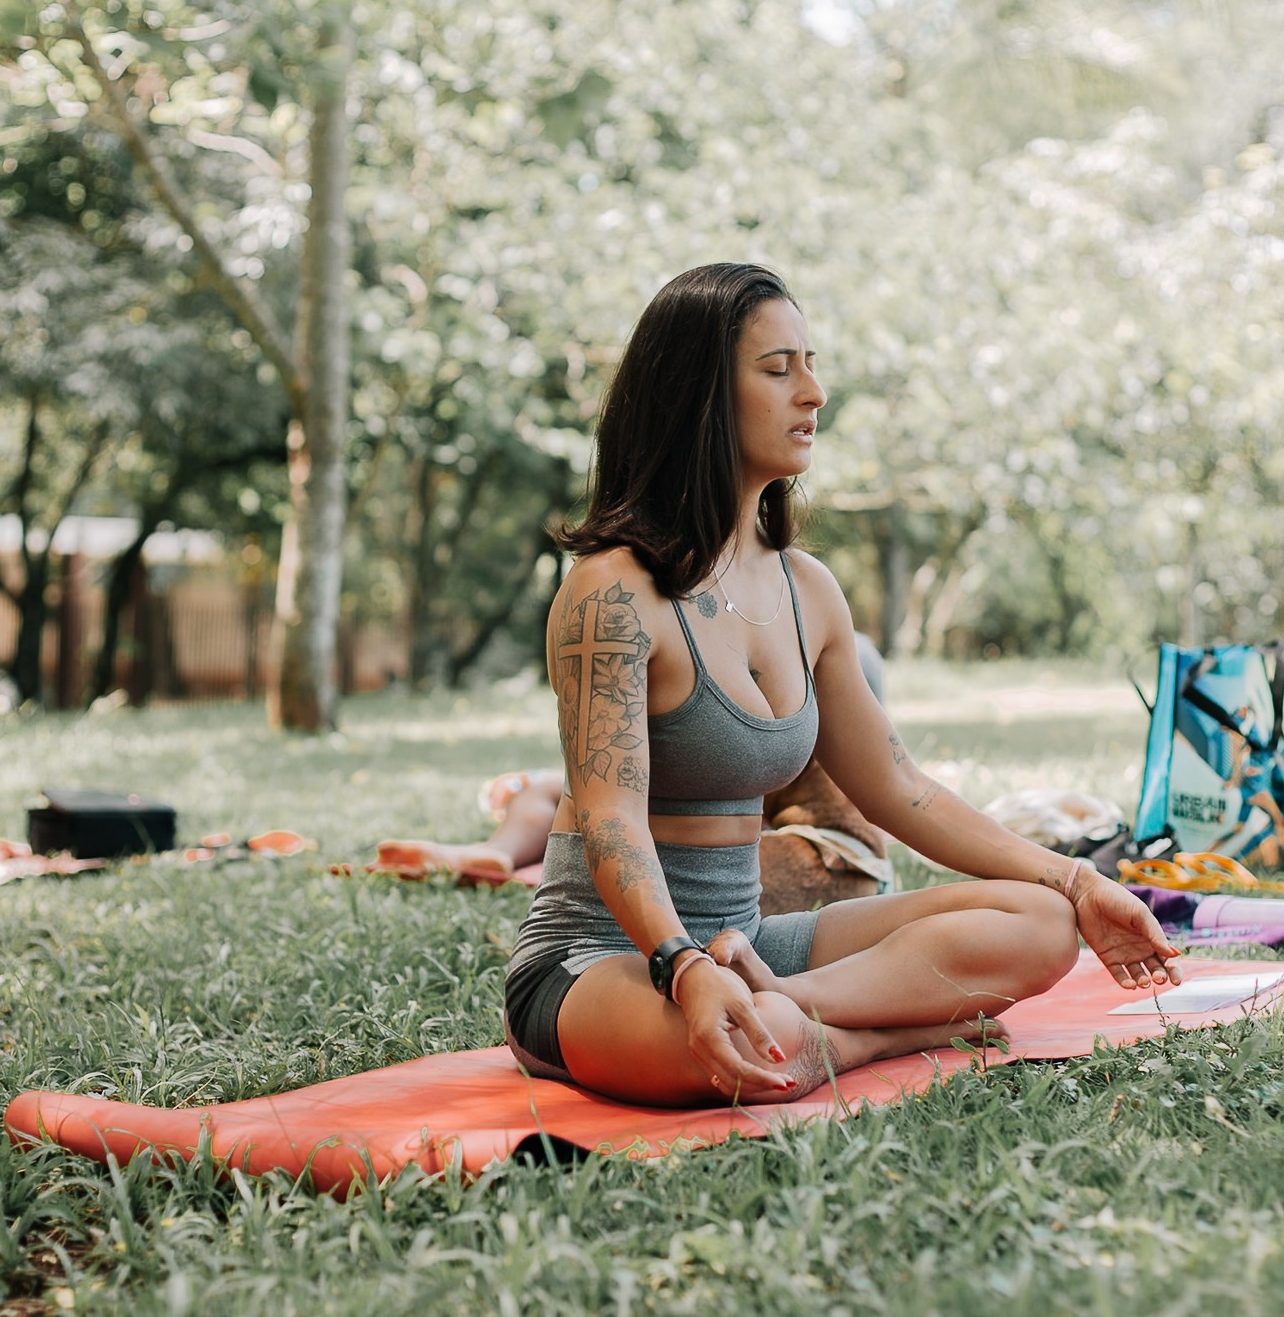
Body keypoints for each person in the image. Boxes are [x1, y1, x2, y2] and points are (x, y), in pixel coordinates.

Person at [502, 262, 1180, 1108]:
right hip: (601, 957)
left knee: (1041, 926)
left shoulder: (807, 591)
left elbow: (899, 789)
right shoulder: (612, 594)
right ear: (701, 393)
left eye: (810, 363)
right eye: (778, 369)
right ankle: (883, 1028)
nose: (814, 393)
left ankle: (800, 1009)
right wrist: (680, 967)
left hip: (750, 944)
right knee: (759, 1045)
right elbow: (609, 820)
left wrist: (1078, 882)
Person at [373, 633, 894, 911]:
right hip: (793, 848)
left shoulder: (785, 712)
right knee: (560, 794)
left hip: (811, 855)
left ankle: (505, 856)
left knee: (579, 814)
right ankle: (497, 854)